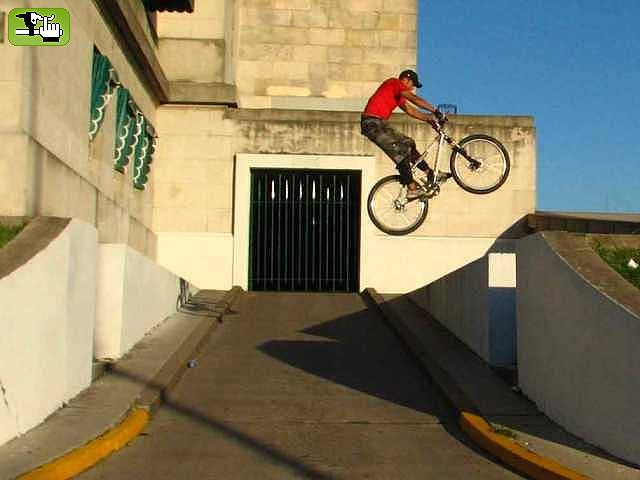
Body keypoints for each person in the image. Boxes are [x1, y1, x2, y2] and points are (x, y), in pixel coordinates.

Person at [361, 69, 447, 198]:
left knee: (409, 143)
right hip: (371, 123)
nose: (412, 89)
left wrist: (429, 119)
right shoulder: (394, 83)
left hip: (380, 124)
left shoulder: (397, 95)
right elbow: (414, 99)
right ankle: (411, 187)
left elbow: (410, 110)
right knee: (400, 151)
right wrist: (435, 110)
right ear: (406, 80)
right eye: (412, 85)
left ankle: (429, 173)